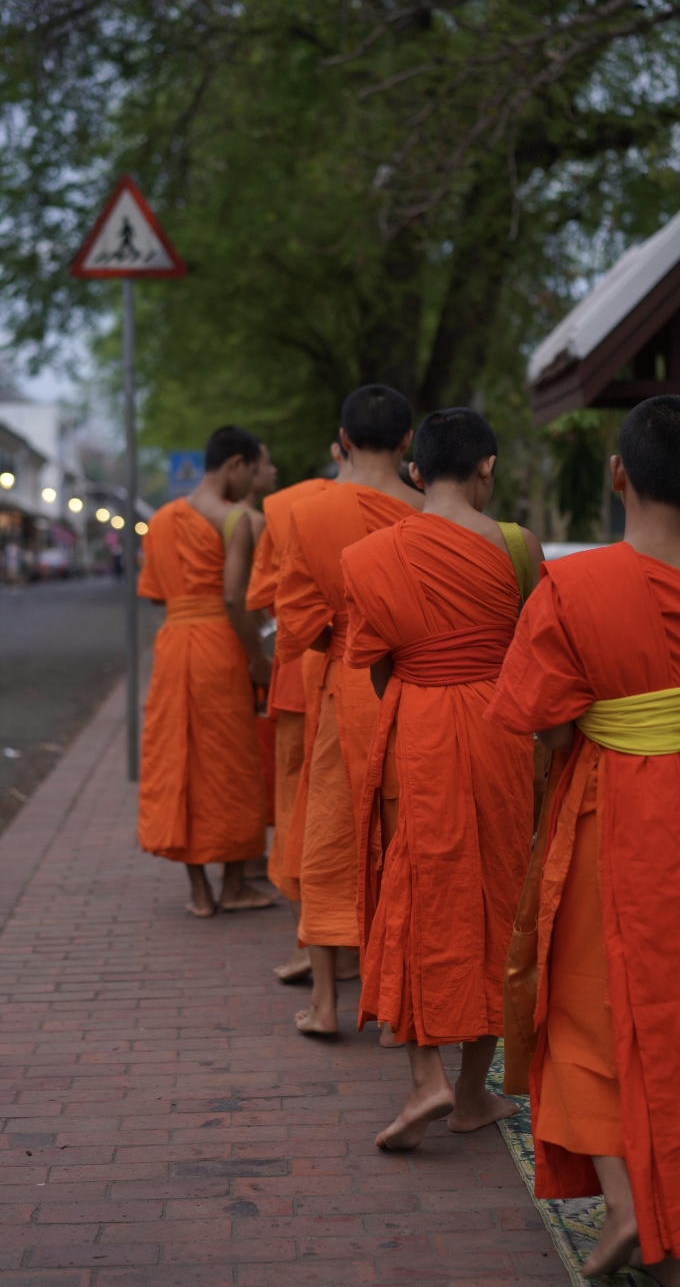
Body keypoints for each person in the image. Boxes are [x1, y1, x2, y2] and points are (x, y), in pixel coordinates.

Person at [485, 396, 680, 1286]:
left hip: (599, 807)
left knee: (584, 1007)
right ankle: (672, 1237)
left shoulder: (570, 586)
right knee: (679, 1014)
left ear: (618, 473)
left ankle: (622, 1203)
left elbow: (534, 720)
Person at [341, 407, 542, 1149]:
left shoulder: (372, 555)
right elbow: (535, 653)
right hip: (500, 732)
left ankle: (424, 1074)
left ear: (416, 469)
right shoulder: (519, 546)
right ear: (487, 466)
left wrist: (422, 695)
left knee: (416, 893)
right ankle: (468, 1094)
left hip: (417, 728)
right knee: (499, 895)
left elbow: (377, 664)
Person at [275, 386, 423, 1035]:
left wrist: (343, 638)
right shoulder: (427, 513)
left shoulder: (309, 511)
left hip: (344, 681)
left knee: (332, 833)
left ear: (342, 436)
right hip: (411, 689)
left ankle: (328, 1005)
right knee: (405, 838)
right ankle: (399, 1011)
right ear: (408, 441)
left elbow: (298, 621)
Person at [138, 425, 275, 917]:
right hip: (220, 645)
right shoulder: (235, 518)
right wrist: (257, 658)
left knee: (178, 757)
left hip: (174, 646)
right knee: (233, 761)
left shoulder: (160, 518)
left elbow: (155, 592)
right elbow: (236, 597)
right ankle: (235, 886)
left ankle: (200, 894)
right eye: (251, 468)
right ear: (235, 465)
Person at [245, 439, 352, 982]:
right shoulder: (409, 503)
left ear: (339, 446)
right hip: (363, 672)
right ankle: (354, 949)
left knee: (299, 810)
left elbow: (266, 592)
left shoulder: (291, 507)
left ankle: (309, 945)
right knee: (351, 806)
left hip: (304, 662)